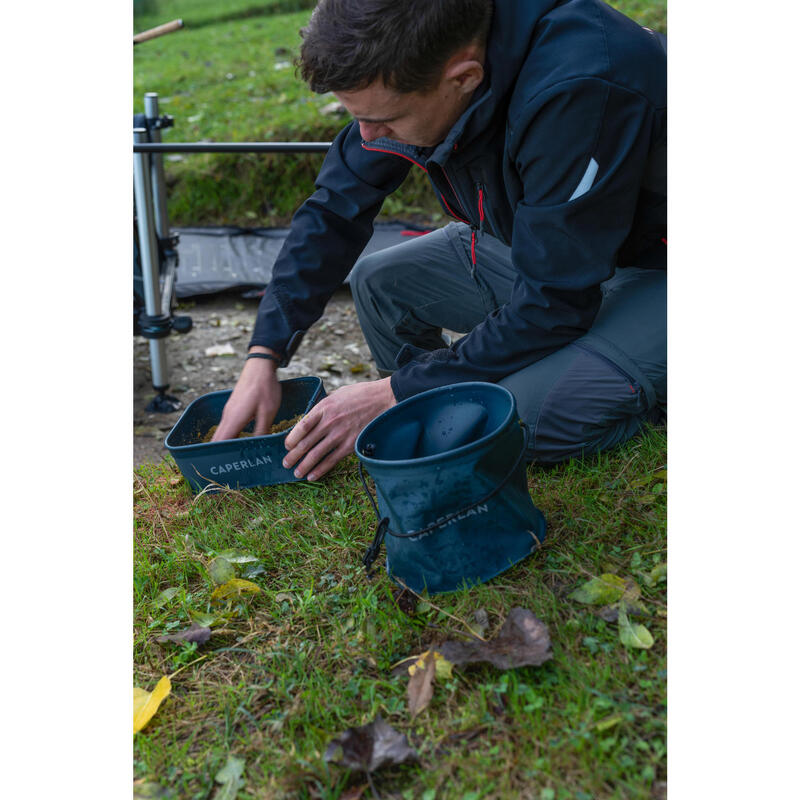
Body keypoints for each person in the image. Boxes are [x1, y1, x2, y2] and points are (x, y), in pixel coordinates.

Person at [212, 0, 667, 482]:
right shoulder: (418, 59)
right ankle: (434, 418)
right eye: (357, 117)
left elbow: (555, 303)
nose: (368, 135)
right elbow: (333, 211)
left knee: (512, 422)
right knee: (379, 281)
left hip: (658, 267)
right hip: (570, 249)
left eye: (386, 118)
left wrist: (395, 391)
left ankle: (642, 400)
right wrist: (265, 353)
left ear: (464, 77)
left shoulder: (580, 87)